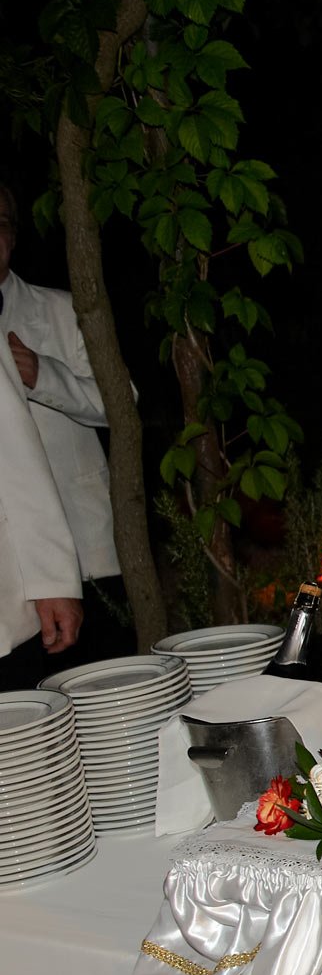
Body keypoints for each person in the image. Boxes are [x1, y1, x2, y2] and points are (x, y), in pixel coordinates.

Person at [0, 180, 125, 690]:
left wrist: (45, 376)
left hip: (82, 549)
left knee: (98, 695)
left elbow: (122, 404)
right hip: (11, 573)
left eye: (1, 226)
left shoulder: (61, 310)